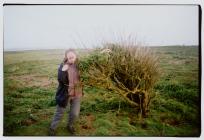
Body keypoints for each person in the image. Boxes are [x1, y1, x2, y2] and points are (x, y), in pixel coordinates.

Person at [49, 49, 83, 136]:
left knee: (75, 113)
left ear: (76, 56)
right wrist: (63, 70)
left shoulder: (80, 65)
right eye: (69, 57)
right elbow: (60, 80)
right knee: (59, 112)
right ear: (66, 57)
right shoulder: (63, 66)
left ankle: (70, 125)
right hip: (65, 94)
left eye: (73, 57)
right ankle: (52, 128)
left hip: (77, 93)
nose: (71, 58)